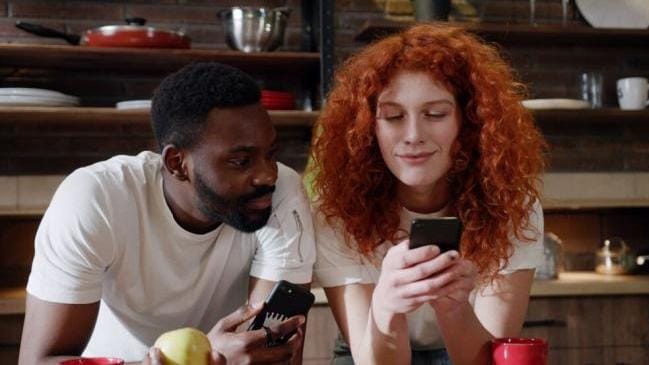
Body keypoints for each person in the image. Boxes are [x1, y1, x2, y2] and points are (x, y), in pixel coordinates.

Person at [19, 62, 316, 365]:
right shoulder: (97, 198)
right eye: (241, 161)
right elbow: (38, 361)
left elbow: (278, 355)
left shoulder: (281, 194)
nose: (267, 175)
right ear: (177, 163)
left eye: (271, 154)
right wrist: (197, 359)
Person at [309, 24, 546, 365]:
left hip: (469, 345)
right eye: (392, 117)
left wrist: (454, 308)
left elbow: (486, 361)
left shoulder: (512, 204)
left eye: (435, 114)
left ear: (469, 122)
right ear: (368, 128)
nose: (413, 135)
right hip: (370, 347)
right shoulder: (336, 210)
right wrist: (386, 308)